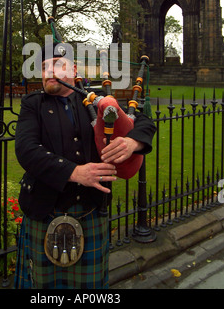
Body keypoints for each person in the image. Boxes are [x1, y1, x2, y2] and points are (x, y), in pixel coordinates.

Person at [14, 43, 156, 289]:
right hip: (44, 209)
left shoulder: (94, 100)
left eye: (58, 65)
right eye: (44, 67)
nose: (49, 71)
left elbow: (142, 121)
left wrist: (133, 142)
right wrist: (74, 172)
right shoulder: (33, 104)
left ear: (74, 69)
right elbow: (26, 150)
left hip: (91, 209)